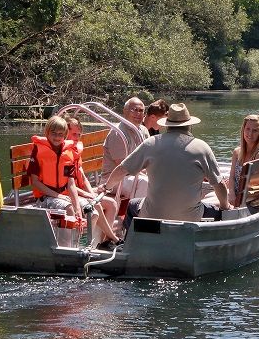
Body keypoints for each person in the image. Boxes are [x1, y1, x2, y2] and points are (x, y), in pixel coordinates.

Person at [104, 103, 232, 223]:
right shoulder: (202, 147)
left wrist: (107, 187)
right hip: (190, 217)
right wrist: (225, 206)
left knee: (132, 206)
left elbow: (121, 170)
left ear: (167, 124)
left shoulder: (151, 143)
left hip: (152, 215)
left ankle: (129, 244)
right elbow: (219, 184)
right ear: (189, 125)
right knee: (220, 212)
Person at [65, 117, 122, 248]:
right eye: (74, 134)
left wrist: (92, 193)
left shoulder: (74, 151)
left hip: (80, 191)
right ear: (65, 132)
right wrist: (89, 196)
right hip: (68, 193)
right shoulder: (64, 153)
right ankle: (113, 239)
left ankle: (104, 243)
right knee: (94, 205)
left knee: (111, 203)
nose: (77, 137)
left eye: (79, 135)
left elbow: (83, 178)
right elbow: (68, 185)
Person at [27, 116, 83, 223]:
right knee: (69, 209)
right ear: (47, 133)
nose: (57, 137)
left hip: (63, 196)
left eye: (60, 134)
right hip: (45, 198)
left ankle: (81, 240)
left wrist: (78, 208)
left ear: (65, 135)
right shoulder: (38, 151)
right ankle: (65, 240)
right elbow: (35, 182)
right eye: (53, 133)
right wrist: (58, 196)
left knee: (90, 209)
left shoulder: (67, 152)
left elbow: (70, 184)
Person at [102, 96, 149, 199]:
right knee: (144, 182)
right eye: (134, 110)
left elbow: (149, 158)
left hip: (136, 175)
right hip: (113, 180)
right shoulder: (118, 133)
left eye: (141, 111)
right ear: (125, 111)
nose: (138, 113)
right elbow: (123, 167)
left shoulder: (144, 131)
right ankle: (138, 213)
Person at [228, 114, 259, 207]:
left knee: (212, 202)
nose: (250, 134)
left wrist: (237, 198)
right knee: (207, 196)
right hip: (235, 195)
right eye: (248, 129)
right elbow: (232, 176)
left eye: (254, 131)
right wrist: (231, 193)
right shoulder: (237, 152)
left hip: (250, 200)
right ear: (243, 130)